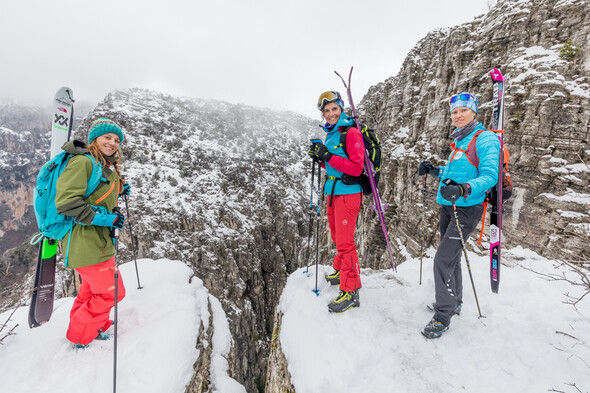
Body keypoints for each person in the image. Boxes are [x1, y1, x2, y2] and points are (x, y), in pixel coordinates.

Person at [418, 92, 500, 338]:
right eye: (454, 112)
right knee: (450, 258)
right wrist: (435, 171)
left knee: (442, 260)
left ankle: (443, 314)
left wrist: (464, 189)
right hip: (448, 205)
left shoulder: (484, 139)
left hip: (466, 209)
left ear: (474, 112)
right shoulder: (460, 141)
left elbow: (490, 176)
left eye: (463, 110)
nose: (458, 115)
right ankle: (456, 301)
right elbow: (456, 172)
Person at [55, 117, 129, 348]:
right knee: (112, 293)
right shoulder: (83, 162)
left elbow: (94, 195)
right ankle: (81, 334)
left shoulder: (101, 165)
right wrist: (108, 218)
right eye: (107, 137)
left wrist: (118, 188)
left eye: (117, 140)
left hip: (96, 242)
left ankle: (88, 325)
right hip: (86, 243)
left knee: (90, 290)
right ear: (94, 139)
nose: (113, 142)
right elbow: (67, 203)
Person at [308, 91, 365, 313]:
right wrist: (321, 159)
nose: (331, 114)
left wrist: (328, 156)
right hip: (332, 190)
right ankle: (341, 270)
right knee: (336, 236)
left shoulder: (350, 132)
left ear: (341, 108)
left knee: (345, 242)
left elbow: (356, 168)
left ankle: (351, 291)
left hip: (348, 192)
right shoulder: (331, 134)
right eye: (326, 110)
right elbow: (333, 166)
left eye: (334, 109)